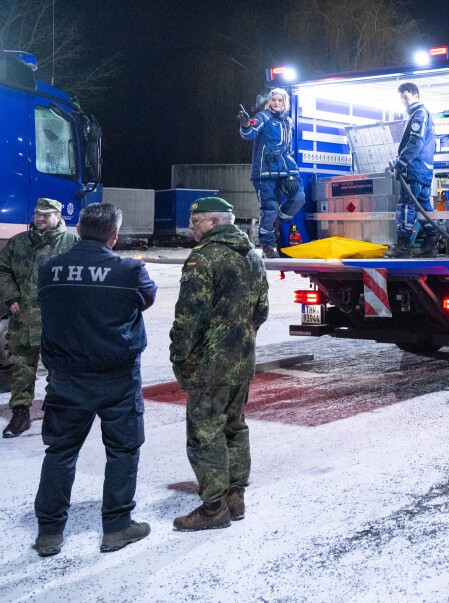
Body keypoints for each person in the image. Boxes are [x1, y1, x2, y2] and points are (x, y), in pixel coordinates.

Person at [32, 203, 157, 556]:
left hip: (66, 378)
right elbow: (146, 298)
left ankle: (49, 533)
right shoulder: (129, 270)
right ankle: (116, 528)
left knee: (60, 452)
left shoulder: (49, 268)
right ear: (113, 235)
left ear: (78, 230)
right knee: (122, 452)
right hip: (118, 379)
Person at [169, 197, 269, 531]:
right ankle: (235, 498)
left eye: (196, 221)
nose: (191, 227)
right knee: (234, 426)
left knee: (205, 434)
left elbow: (189, 318)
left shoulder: (203, 258)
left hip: (209, 365)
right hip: (241, 360)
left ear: (214, 222)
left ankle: (214, 507)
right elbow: (261, 310)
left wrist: (179, 356)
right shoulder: (252, 256)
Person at [1, 198, 78, 439]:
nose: (41, 218)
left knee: (59, 367)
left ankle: (56, 410)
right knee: (22, 368)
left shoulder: (72, 243)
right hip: (24, 318)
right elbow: (3, 269)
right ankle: (20, 413)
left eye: (46, 214)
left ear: (58, 216)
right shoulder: (18, 243)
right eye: (37, 213)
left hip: (58, 320)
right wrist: (10, 296)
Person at [239, 87, 304, 259]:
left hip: (284, 170)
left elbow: (289, 149)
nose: (276, 103)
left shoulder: (288, 122)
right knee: (270, 208)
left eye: (279, 100)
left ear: (285, 102)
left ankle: (279, 219)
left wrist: (292, 170)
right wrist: (245, 124)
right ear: (269, 101)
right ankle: (268, 245)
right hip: (264, 172)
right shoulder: (263, 117)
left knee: (299, 197)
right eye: (273, 100)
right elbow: (249, 133)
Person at [384, 82, 445, 258]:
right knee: (424, 206)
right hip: (423, 171)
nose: (404, 101)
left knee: (406, 206)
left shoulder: (419, 114)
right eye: (402, 98)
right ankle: (431, 245)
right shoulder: (423, 114)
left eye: (406, 97)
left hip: (414, 170)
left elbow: (415, 142)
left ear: (416, 95)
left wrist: (400, 163)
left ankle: (403, 247)